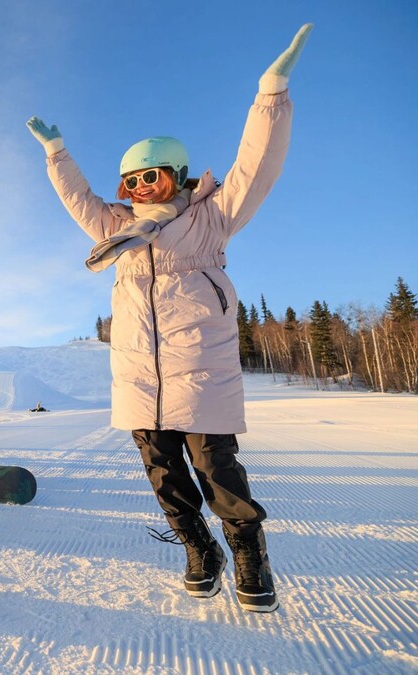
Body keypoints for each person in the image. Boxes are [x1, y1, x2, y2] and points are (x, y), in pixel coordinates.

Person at [24, 24, 311, 613]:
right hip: (138, 375)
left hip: (199, 369)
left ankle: (247, 551)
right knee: (163, 474)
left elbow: (258, 164)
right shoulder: (117, 231)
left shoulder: (212, 216)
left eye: (149, 177)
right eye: (129, 181)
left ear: (176, 176)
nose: (138, 189)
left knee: (216, 470)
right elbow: (78, 197)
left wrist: (271, 96)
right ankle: (197, 546)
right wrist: (57, 155)